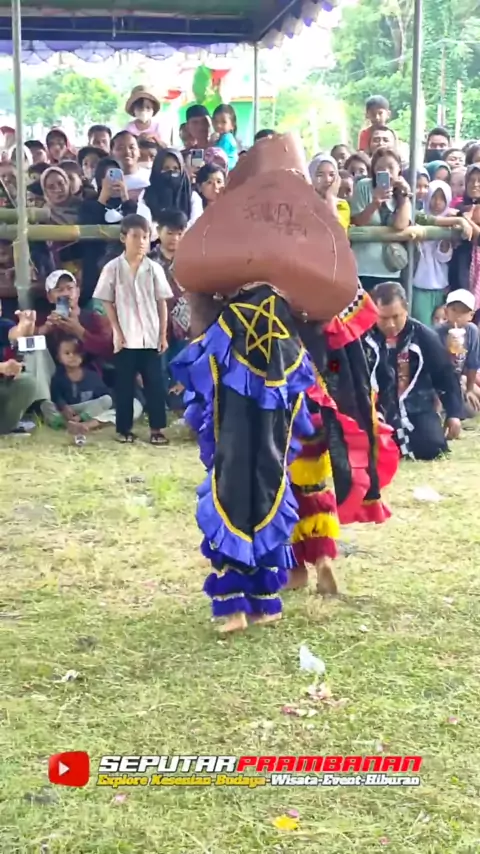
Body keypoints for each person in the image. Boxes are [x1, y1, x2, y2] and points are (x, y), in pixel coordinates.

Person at [171, 132, 399, 633]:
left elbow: (335, 322)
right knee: (259, 477)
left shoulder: (302, 251)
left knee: (262, 479)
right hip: (262, 387)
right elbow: (199, 308)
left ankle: (265, 588)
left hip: (280, 389)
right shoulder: (254, 248)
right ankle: (254, 594)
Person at [94, 214, 173, 445]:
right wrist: (117, 331)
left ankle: (157, 429)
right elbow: (107, 300)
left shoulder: (154, 269)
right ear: (123, 238)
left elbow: (162, 303)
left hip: (151, 336)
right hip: (126, 337)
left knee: (155, 384)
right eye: (135, 236)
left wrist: (162, 334)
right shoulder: (112, 268)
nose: (141, 242)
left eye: (145, 237)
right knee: (125, 385)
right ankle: (124, 429)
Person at [364, 281, 463, 460]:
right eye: (383, 318)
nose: (391, 324)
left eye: (396, 316)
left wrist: (453, 413)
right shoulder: (362, 338)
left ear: (406, 309)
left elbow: (445, 375)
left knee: (432, 447)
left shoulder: (424, 336)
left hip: (415, 407)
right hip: (374, 409)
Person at [350, 147, 411, 293]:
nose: (386, 172)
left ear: (399, 169)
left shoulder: (402, 190)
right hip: (363, 267)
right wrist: (375, 203)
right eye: (380, 168)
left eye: (391, 167)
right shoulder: (364, 186)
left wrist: (404, 197)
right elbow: (358, 221)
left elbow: (400, 225)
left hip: (391, 267)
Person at [79, 157, 138, 306]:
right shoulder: (88, 205)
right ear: (100, 180)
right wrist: (103, 196)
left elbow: (134, 225)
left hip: (125, 270)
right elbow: (89, 226)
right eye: (109, 177)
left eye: (118, 176)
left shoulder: (130, 205)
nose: (114, 181)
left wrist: (125, 197)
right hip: (95, 269)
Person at [150, 208, 189, 408]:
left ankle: (180, 399)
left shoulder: (190, 260)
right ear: (158, 231)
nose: (175, 238)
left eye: (179, 233)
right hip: (157, 323)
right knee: (159, 364)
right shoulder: (148, 261)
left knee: (181, 361)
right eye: (170, 233)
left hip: (184, 323)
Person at [50, 335, 116, 435]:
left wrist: (87, 412)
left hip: (87, 409)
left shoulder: (92, 376)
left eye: (76, 352)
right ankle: (66, 422)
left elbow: (104, 395)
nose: (72, 356)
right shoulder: (58, 377)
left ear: (82, 355)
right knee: (47, 406)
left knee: (107, 400)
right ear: (59, 358)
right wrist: (64, 407)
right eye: (67, 353)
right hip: (70, 408)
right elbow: (56, 395)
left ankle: (80, 420)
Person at [412, 181, 453, 325]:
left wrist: (447, 233)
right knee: (422, 325)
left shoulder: (450, 221)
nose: (437, 202)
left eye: (442, 198)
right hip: (420, 285)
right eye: (434, 197)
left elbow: (444, 257)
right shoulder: (418, 218)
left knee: (440, 328)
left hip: (441, 285)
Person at [435, 289, 480, 417]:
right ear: (446, 312)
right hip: (437, 384)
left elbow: (472, 363)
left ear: (471, 316)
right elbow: (433, 369)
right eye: (454, 310)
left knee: (472, 410)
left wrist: (469, 390)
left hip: (457, 380)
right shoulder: (436, 333)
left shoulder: (472, 331)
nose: (458, 316)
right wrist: (448, 349)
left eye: (464, 312)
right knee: (442, 411)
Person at [0, 310, 38, 434]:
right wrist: (2, 367)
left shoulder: (3, 324)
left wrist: (26, 325)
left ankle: (5, 428)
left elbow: (15, 335)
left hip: (3, 383)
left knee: (27, 382)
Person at [449, 164, 480, 303]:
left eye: (479, 180)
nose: (475, 184)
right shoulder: (458, 207)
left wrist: (466, 220)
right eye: (471, 180)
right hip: (460, 265)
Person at [143, 148, 197, 226]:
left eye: (175, 169)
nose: (171, 172)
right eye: (166, 168)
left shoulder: (192, 195)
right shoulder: (146, 195)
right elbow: (144, 223)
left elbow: (196, 222)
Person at [308, 154, 350, 228]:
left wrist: (330, 198)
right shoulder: (303, 204)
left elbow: (338, 230)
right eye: (320, 175)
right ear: (311, 177)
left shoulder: (341, 205)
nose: (327, 180)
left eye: (331, 175)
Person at [110, 132, 150, 201]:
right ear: (111, 153)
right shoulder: (105, 180)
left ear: (139, 152)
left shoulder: (150, 176)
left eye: (132, 147)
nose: (127, 152)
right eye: (121, 148)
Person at [212, 104, 238, 171]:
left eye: (223, 122)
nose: (218, 125)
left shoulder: (227, 138)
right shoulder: (220, 138)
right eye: (216, 121)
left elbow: (218, 158)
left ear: (232, 125)